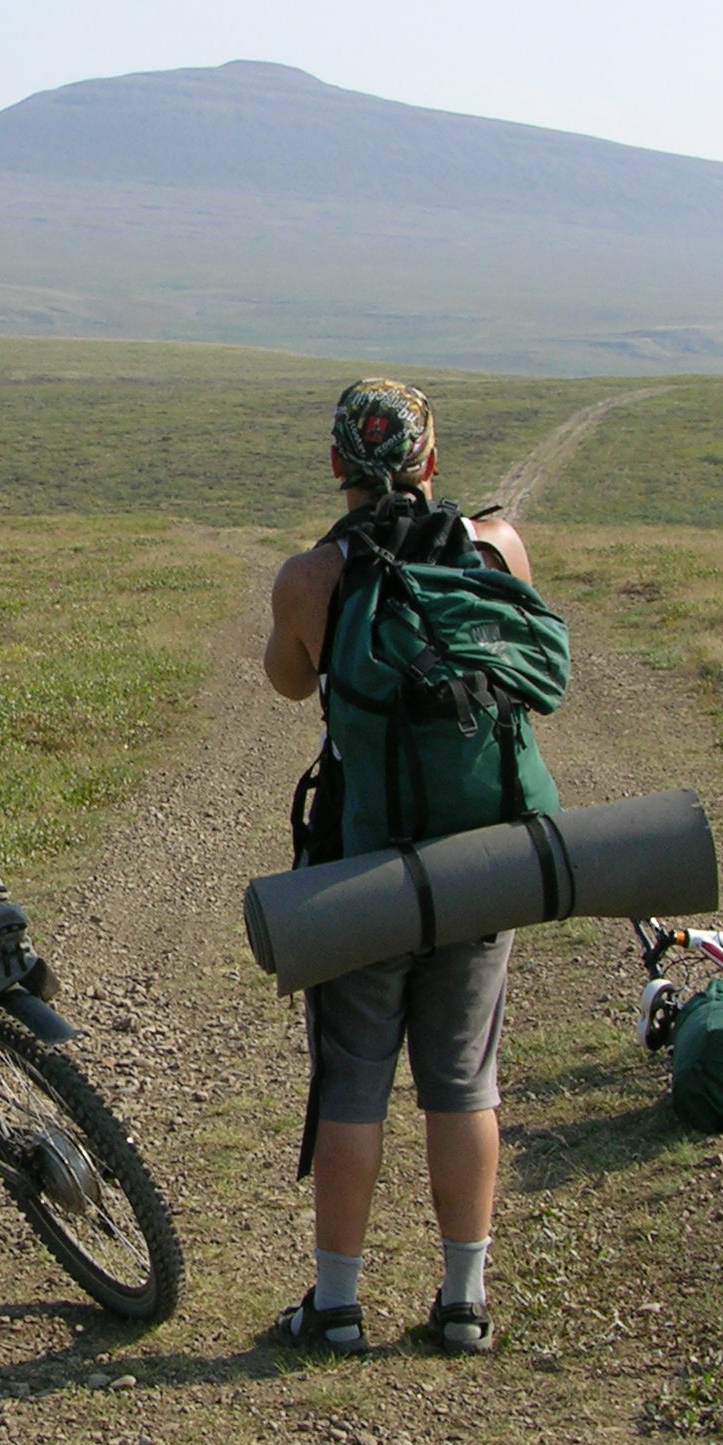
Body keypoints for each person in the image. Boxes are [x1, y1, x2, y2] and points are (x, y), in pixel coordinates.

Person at [259, 378, 544, 1357]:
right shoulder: (499, 549)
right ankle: (463, 1301)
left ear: (338, 465)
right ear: (431, 459)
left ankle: (336, 1307)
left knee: (352, 1083)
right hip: (481, 862)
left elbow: (291, 680)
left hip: (358, 868)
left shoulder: (308, 579)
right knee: (464, 1080)